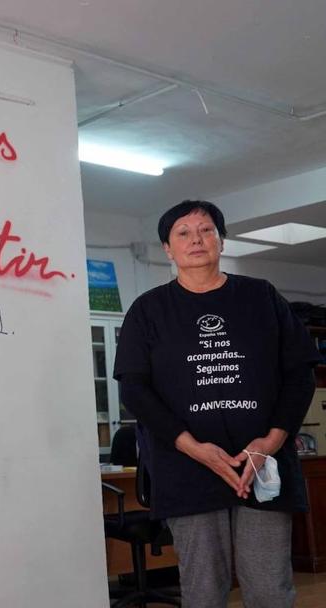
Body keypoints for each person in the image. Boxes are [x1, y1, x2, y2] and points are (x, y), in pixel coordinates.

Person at [114, 199, 319, 607]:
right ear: (168, 250)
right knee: (204, 591)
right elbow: (135, 389)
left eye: (206, 230)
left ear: (222, 242)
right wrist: (193, 447)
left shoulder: (261, 298)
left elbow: (300, 374)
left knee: (268, 589)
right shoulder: (148, 311)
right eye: (183, 233)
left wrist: (270, 443)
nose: (197, 240)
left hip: (260, 468)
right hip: (188, 469)